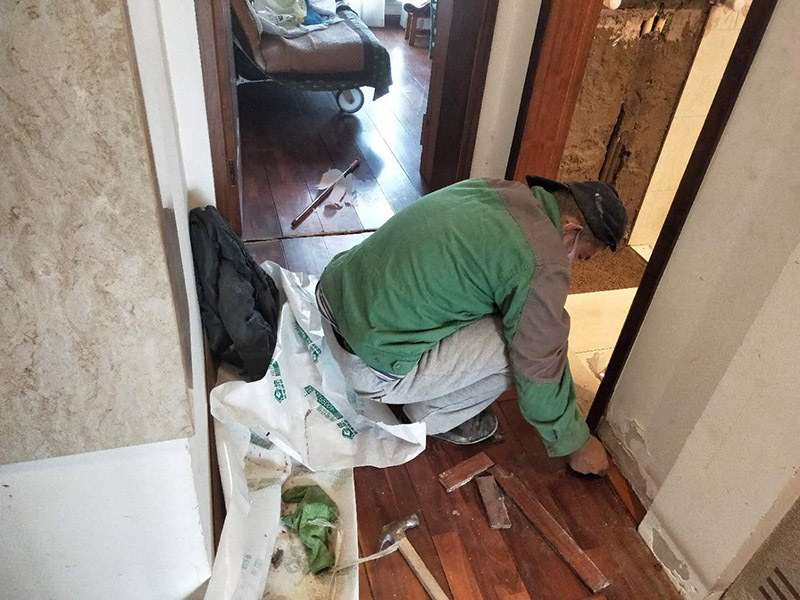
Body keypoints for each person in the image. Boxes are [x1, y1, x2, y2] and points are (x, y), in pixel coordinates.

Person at [316, 176, 626, 475]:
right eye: (581, 256)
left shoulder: (496, 190)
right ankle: (431, 416)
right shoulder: (543, 261)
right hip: (367, 364)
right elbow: (539, 365)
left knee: (520, 313)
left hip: (333, 299)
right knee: (522, 346)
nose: (573, 262)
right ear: (570, 230)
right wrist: (577, 443)